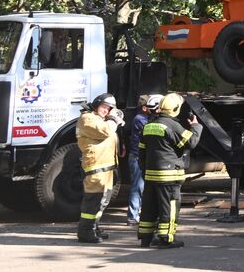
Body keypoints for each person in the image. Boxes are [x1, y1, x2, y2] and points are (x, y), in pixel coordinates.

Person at [138, 93, 201, 249]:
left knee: (149, 207)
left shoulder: (148, 126)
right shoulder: (173, 125)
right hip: (169, 176)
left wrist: (145, 169)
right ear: (175, 109)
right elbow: (191, 142)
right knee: (169, 206)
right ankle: (166, 238)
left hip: (151, 174)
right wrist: (196, 126)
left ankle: (145, 238)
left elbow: (141, 151)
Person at [75, 93, 123, 244]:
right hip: (96, 166)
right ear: (97, 105)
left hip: (106, 166)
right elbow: (105, 132)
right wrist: (114, 118)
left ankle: (94, 227)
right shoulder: (87, 118)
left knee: (103, 199)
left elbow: (110, 135)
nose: (107, 111)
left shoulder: (101, 119)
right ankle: (85, 231)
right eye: (104, 107)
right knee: (93, 199)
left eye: (109, 109)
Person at [125, 94, 161, 227]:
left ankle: (139, 214)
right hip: (137, 157)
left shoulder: (146, 118)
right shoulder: (140, 119)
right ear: (145, 108)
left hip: (142, 156)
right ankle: (132, 217)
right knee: (137, 187)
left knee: (143, 187)